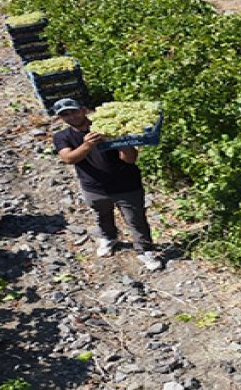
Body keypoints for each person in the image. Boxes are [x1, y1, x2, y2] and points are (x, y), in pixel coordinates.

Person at [51, 98, 163, 271]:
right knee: (102, 215)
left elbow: (130, 159)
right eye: (65, 114)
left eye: (73, 111)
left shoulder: (107, 126)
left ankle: (145, 250)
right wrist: (88, 145)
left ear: (84, 109)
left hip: (126, 185)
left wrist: (118, 140)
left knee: (136, 219)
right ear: (61, 118)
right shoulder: (62, 137)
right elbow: (68, 158)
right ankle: (109, 237)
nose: (71, 116)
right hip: (94, 187)